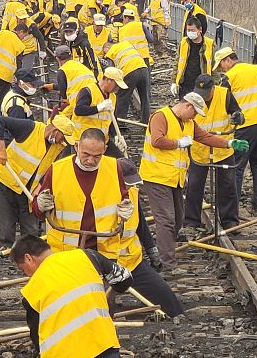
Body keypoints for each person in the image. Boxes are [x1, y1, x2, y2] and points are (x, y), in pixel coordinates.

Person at [32, 128, 183, 316]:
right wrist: (40, 205)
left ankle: (176, 316)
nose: (90, 160)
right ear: (77, 147)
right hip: (68, 254)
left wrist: (126, 209)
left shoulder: (113, 168)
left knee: (159, 298)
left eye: (97, 156)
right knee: (65, 305)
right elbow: (38, 211)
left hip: (106, 252)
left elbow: (125, 199)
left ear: (104, 150)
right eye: (86, 154)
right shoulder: (57, 170)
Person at [13, 234, 136, 358]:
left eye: (23, 269)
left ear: (29, 258)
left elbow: (38, 341)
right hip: (103, 349)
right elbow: (124, 280)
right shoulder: (87, 256)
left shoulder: (30, 292)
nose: (26, 275)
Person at [140, 93, 247, 269]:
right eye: (195, 112)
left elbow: (205, 137)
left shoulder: (188, 122)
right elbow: (157, 141)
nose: (195, 116)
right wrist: (178, 143)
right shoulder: (160, 117)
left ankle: (165, 248)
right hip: (156, 177)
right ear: (188, 106)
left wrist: (229, 144)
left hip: (174, 178)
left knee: (177, 218)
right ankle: (167, 263)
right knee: (166, 219)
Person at [0, 114, 76, 248]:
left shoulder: (58, 147)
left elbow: (50, 169)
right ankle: (5, 251)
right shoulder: (29, 128)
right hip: (8, 182)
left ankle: (27, 253)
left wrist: (40, 186)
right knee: (6, 224)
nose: (62, 141)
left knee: (31, 229)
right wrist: (1, 149)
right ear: (56, 131)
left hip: (29, 192)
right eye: (63, 137)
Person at [214, 47, 257, 214]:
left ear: (228, 60)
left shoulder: (229, 77)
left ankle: (232, 207)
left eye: (221, 65)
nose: (221, 70)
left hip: (245, 125)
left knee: (237, 166)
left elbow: (223, 104)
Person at [182, 74, 242, 231]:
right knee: (194, 185)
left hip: (223, 149)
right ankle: (191, 221)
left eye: (206, 94)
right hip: (199, 150)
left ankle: (229, 221)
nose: (202, 98)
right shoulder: (191, 99)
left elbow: (237, 112)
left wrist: (238, 117)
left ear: (213, 88)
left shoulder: (225, 95)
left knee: (227, 185)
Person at [71, 66, 127, 155]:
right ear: (108, 80)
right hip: (84, 140)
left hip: (102, 141)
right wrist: (98, 108)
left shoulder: (113, 97)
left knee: (118, 159)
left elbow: (113, 120)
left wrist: (117, 136)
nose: (117, 88)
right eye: (116, 85)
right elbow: (79, 110)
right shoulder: (88, 91)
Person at [103, 36, 151, 126]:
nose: (104, 54)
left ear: (107, 47)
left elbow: (111, 71)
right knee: (145, 98)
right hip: (144, 69)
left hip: (130, 72)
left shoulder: (111, 51)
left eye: (104, 51)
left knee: (122, 97)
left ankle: (120, 123)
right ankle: (146, 122)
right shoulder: (126, 44)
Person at [172, 13, 213, 98]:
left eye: (192, 30)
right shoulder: (184, 43)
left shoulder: (209, 45)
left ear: (200, 30)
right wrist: (174, 82)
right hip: (185, 84)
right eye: (188, 30)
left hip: (202, 86)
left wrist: (214, 85)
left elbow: (215, 68)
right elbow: (177, 63)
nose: (190, 33)